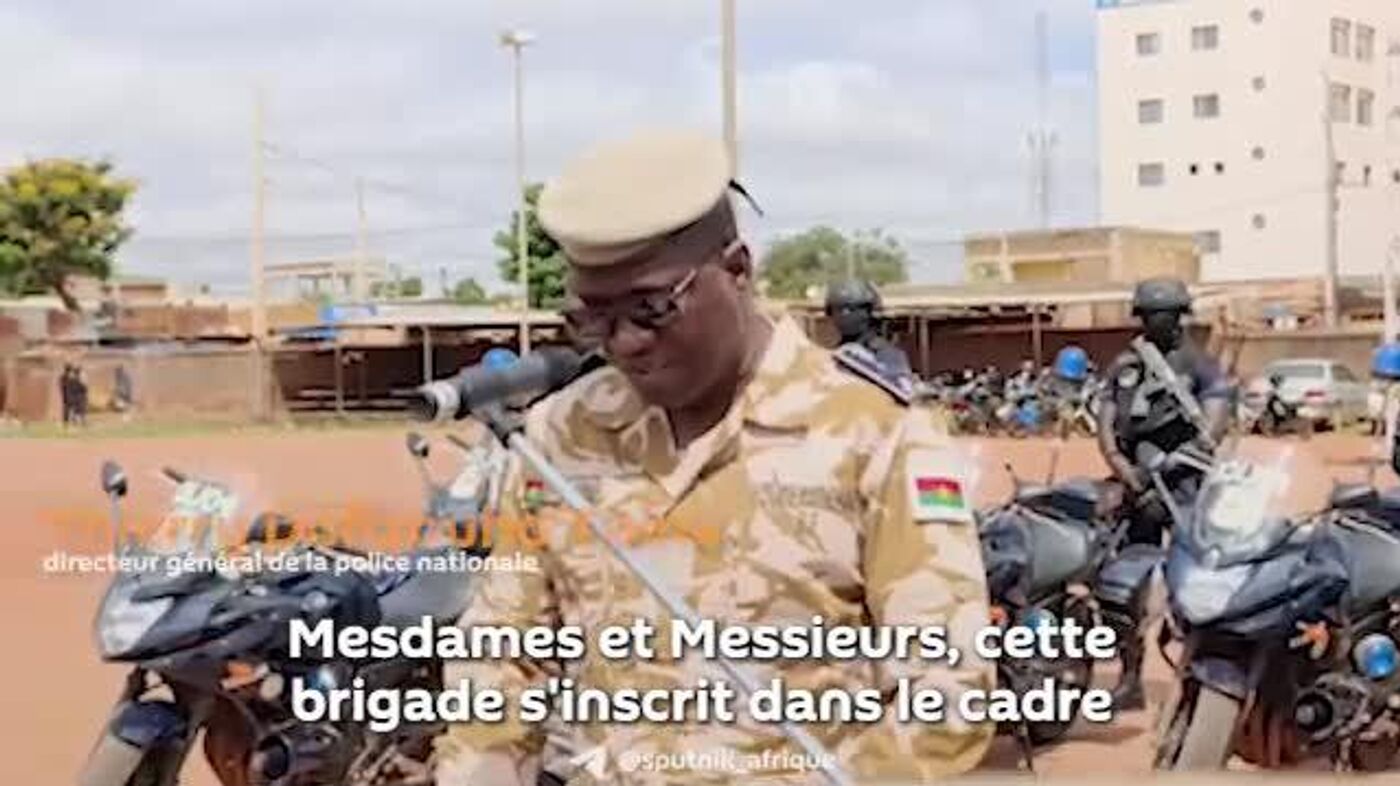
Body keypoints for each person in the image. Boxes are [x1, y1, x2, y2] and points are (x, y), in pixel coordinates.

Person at [434, 129, 994, 786]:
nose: (625, 343)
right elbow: (500, 659)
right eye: (593, 318)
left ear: (737, 271)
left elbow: (946, 691)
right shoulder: (561, 433)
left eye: (653, 309)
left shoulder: (877, 435)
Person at [1095, 277, 1232, 710]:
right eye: (1151, 314)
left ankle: (1197, 679)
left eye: (1166, 314)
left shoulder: (1201, 365)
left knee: (1196, 585)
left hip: (1186, 488)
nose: (1158, 321)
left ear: (1181, 317)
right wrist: (1125, 471)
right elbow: (1106, 424)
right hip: (1137, 488)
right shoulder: (1126, 364)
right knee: (1123, 589)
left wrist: (1174, 465)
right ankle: (1130, 677)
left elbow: (1214, 426)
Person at [823, 278, 914, 381]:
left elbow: (897, 385)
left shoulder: (888, 355)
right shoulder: (834, 355)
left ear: (869, 311)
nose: (844, 315)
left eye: (852, 309)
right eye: (838, 310)